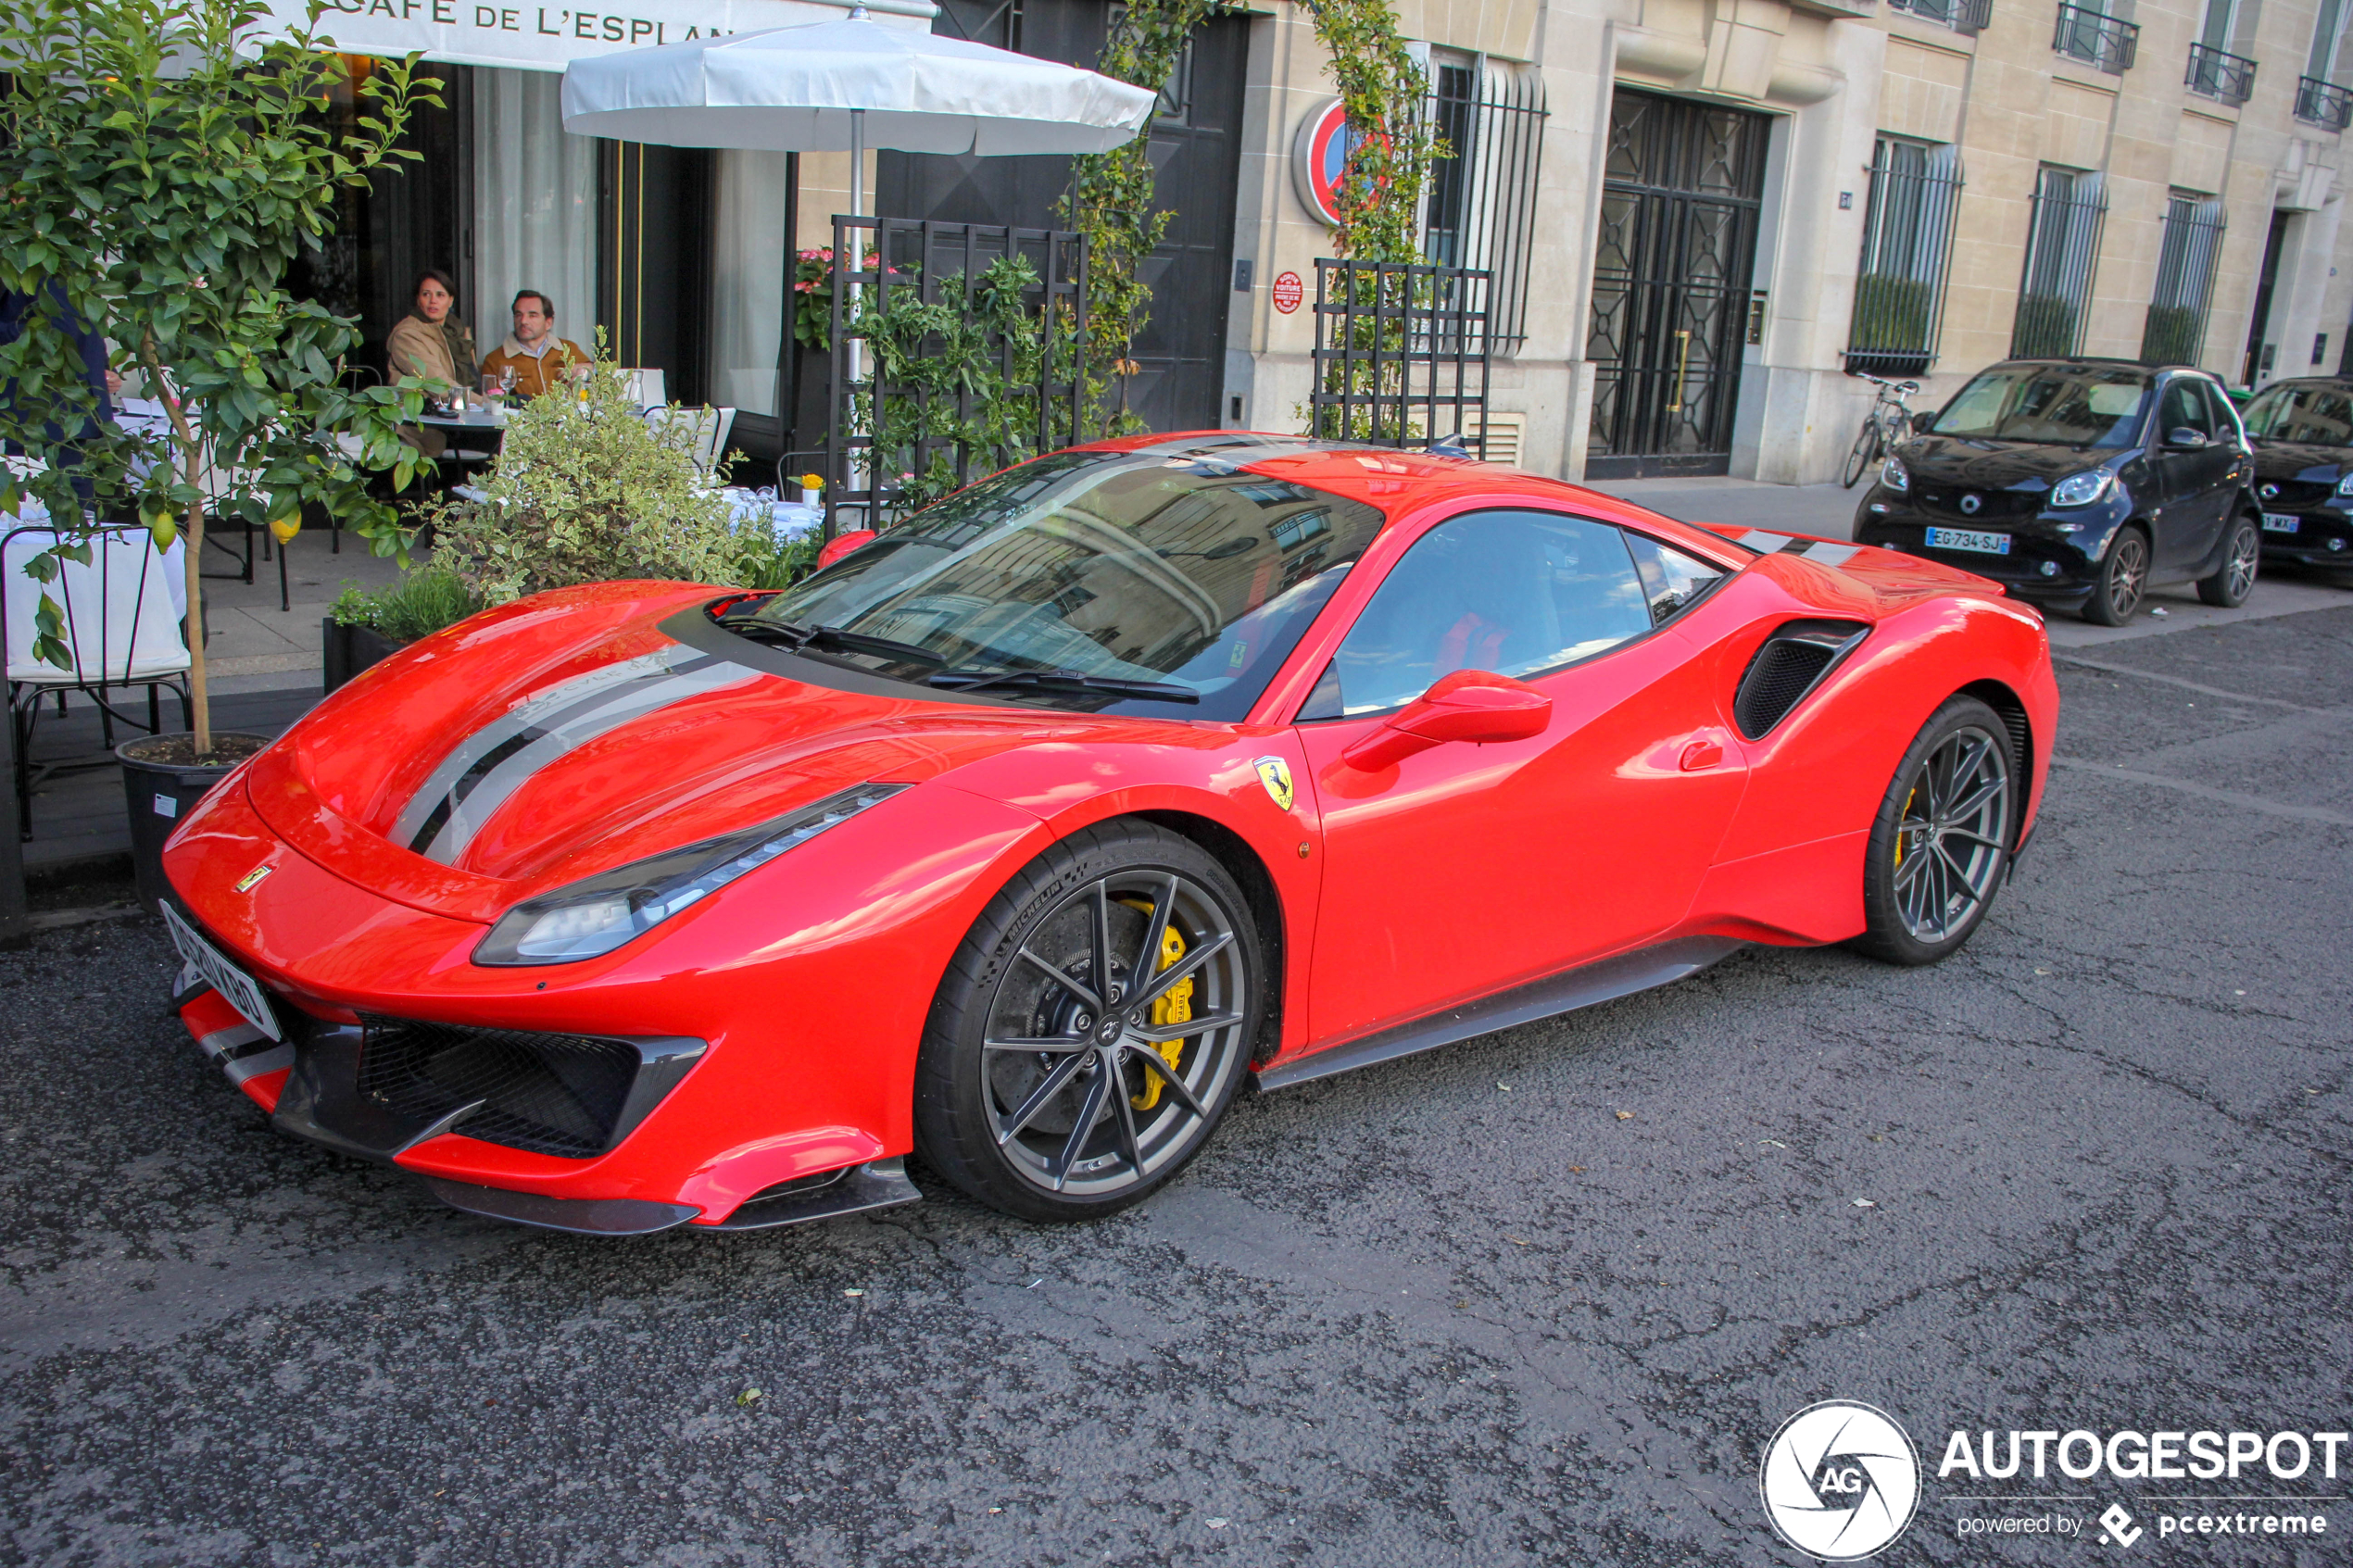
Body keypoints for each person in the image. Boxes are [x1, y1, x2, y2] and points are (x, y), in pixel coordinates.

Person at [384, 270, 477, 459]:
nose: (432, 300)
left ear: (451, 300)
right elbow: (438, 383)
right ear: (418, 299)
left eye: (440, 295)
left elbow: (473, 374)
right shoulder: (407, 335)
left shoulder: (456, 332)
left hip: (464, 415)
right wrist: (485, 403)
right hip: (428, 424)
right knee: (502, 442)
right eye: (426, 294)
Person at [479, 291, 586, 398]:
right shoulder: (495, 360)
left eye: (532, 315)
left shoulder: (568, 349)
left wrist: (586, 369)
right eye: (518, 315)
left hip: (567, 414)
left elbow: (596, 379)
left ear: (548, 323)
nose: (523, 321)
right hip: (523, 415)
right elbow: (492, 404)